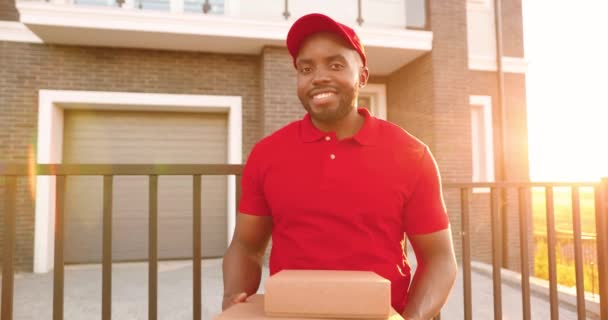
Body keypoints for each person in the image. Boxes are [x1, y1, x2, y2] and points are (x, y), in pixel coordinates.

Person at [222, 13, 457, 320]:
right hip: (291, 314)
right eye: (306, 68)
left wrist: (412, 318)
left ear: (362, 76)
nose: (318, 76)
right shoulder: (267, 154)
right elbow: (245, 245)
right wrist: (233, 297)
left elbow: (439, 259)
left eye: (335, 65)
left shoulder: (411, 154)